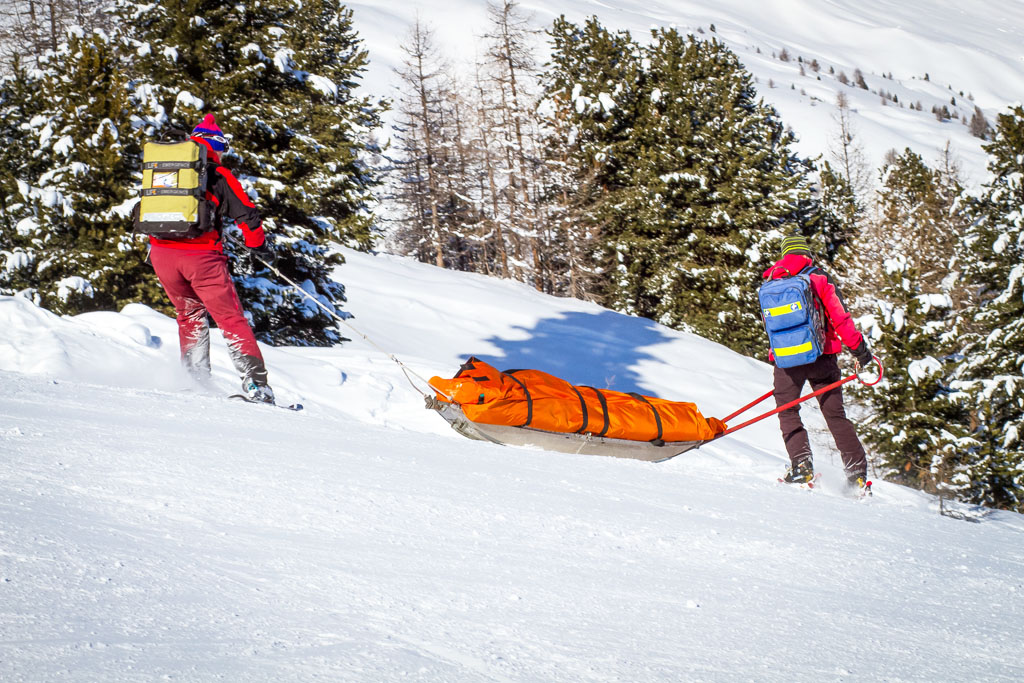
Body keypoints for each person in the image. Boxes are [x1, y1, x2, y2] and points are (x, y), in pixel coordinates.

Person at [147, 113, 277, 404]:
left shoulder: (167, 169)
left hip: (161, 254)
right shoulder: (218, 174)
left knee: (189, 315)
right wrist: (259, 246)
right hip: (201, 257)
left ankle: (195, 381)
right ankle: (256, 386)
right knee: (230, 318)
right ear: (215, 145)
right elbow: (247, 214)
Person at [765, 234, 873, 492]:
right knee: (835, 415)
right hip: (822, 356)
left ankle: (801, 466)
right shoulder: (819, 277)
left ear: (784, 255)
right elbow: (840, 318)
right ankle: (856, 474)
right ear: (807, 253)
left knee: (788, 411)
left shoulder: (772, 280)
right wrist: (860, 350)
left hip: (787, 361)